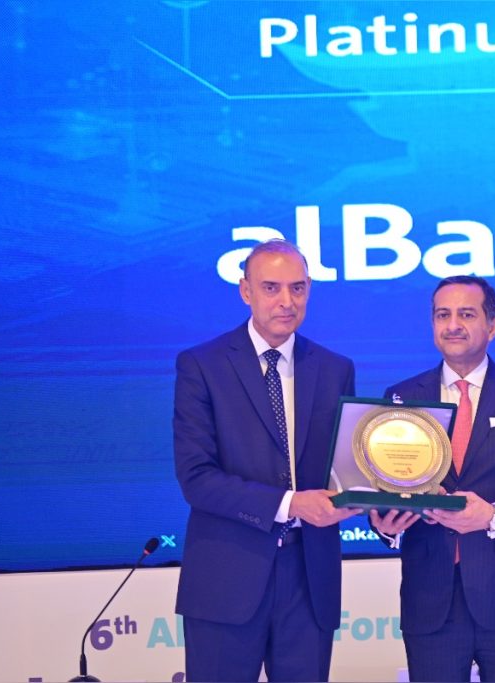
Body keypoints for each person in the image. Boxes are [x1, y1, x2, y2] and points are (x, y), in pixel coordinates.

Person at [173, 238, 358, 681]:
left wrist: (378, 501)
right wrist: (291, 504)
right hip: (227, 576)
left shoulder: (335, 369)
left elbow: (345, 471)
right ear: (246, 291)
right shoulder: (202, 365)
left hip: (309, 580)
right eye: (271, 287)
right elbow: (196, 478)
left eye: (297, 288)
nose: (286, 301)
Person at [370, 275, 495, 682]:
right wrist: (384, 523)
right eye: (443, 315)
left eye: (466, 314)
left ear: (493, 326)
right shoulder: (400, 397)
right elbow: (386, 488)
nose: (453, 325)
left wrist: (493, 514)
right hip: (429, 598)